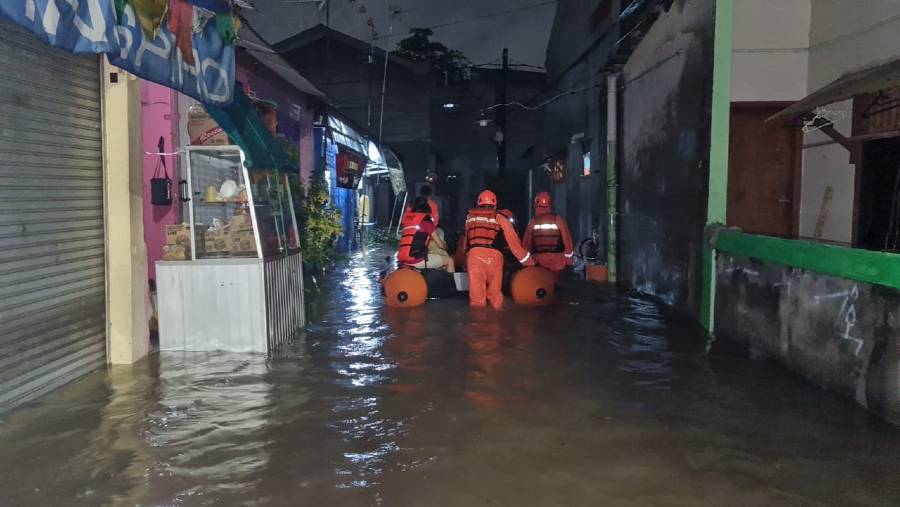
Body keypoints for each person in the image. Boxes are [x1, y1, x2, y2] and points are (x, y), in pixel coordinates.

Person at [465, 190, 534, 309]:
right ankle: (496, 324)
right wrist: (529, 262)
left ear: (478, 204)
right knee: (495, 296)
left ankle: (476, 324)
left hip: (474, 257)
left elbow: (466, 240)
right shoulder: (499, 217)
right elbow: (514, 244)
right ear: (495, 205)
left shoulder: (470, 218)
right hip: (495, 258)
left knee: (476, 300)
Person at [397, 197, 455, 272]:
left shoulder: (407, 223)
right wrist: (446, 247)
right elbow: (440, 245)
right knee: (450, 261)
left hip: (403, 258)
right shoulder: (426, 222)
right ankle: (449, 283)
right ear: (427, 208)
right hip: (417, 259)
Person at [523, 191, 574, 275]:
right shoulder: (558, 220)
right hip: (558, 262)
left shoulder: (533, 222)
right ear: (550, 204)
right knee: (555, 285)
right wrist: (569, 261)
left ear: (536, 204)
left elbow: (526, 244)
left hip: (539, 262)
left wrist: (526, 262)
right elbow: (567, 241)